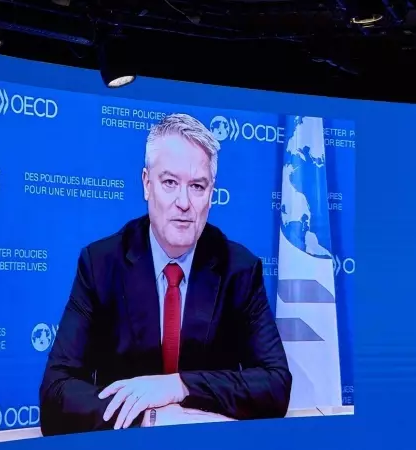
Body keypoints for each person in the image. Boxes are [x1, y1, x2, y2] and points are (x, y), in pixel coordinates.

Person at [39, 113, 292, 435]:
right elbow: (55, 393)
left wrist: (179, 386)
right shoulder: (101, 264)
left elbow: (276, 384)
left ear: (211, 193)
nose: (183, 202)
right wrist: (149, 419)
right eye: (169, 183)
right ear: (147, 184)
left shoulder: (239, 269)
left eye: (197, 186)